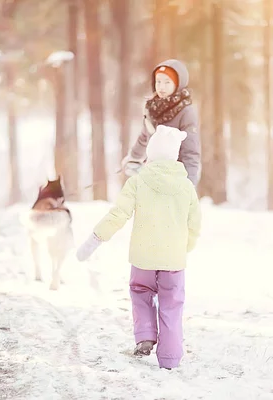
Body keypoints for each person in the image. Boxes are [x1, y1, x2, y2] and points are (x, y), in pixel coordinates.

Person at [76, 124, 202, 370]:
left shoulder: (138, 181)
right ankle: (170, 358)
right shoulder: (186, 186)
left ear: (151, 154)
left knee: (141, 292)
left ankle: (145, 336)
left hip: (143, 257)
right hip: (174, 261)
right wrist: (185, 247)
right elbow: (195, 223)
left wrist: (95, 238)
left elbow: (118, 214)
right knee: (171, 304)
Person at [122, 59, 201, 186]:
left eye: (167, 82)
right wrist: (133, 158)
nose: (161, 87)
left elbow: (190, 152)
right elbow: (144, 137)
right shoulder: (152, 109)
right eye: (158, 81)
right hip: (152, 173)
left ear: (177, 84)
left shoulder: (186, 112)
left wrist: (189, 185)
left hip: (174, 178)